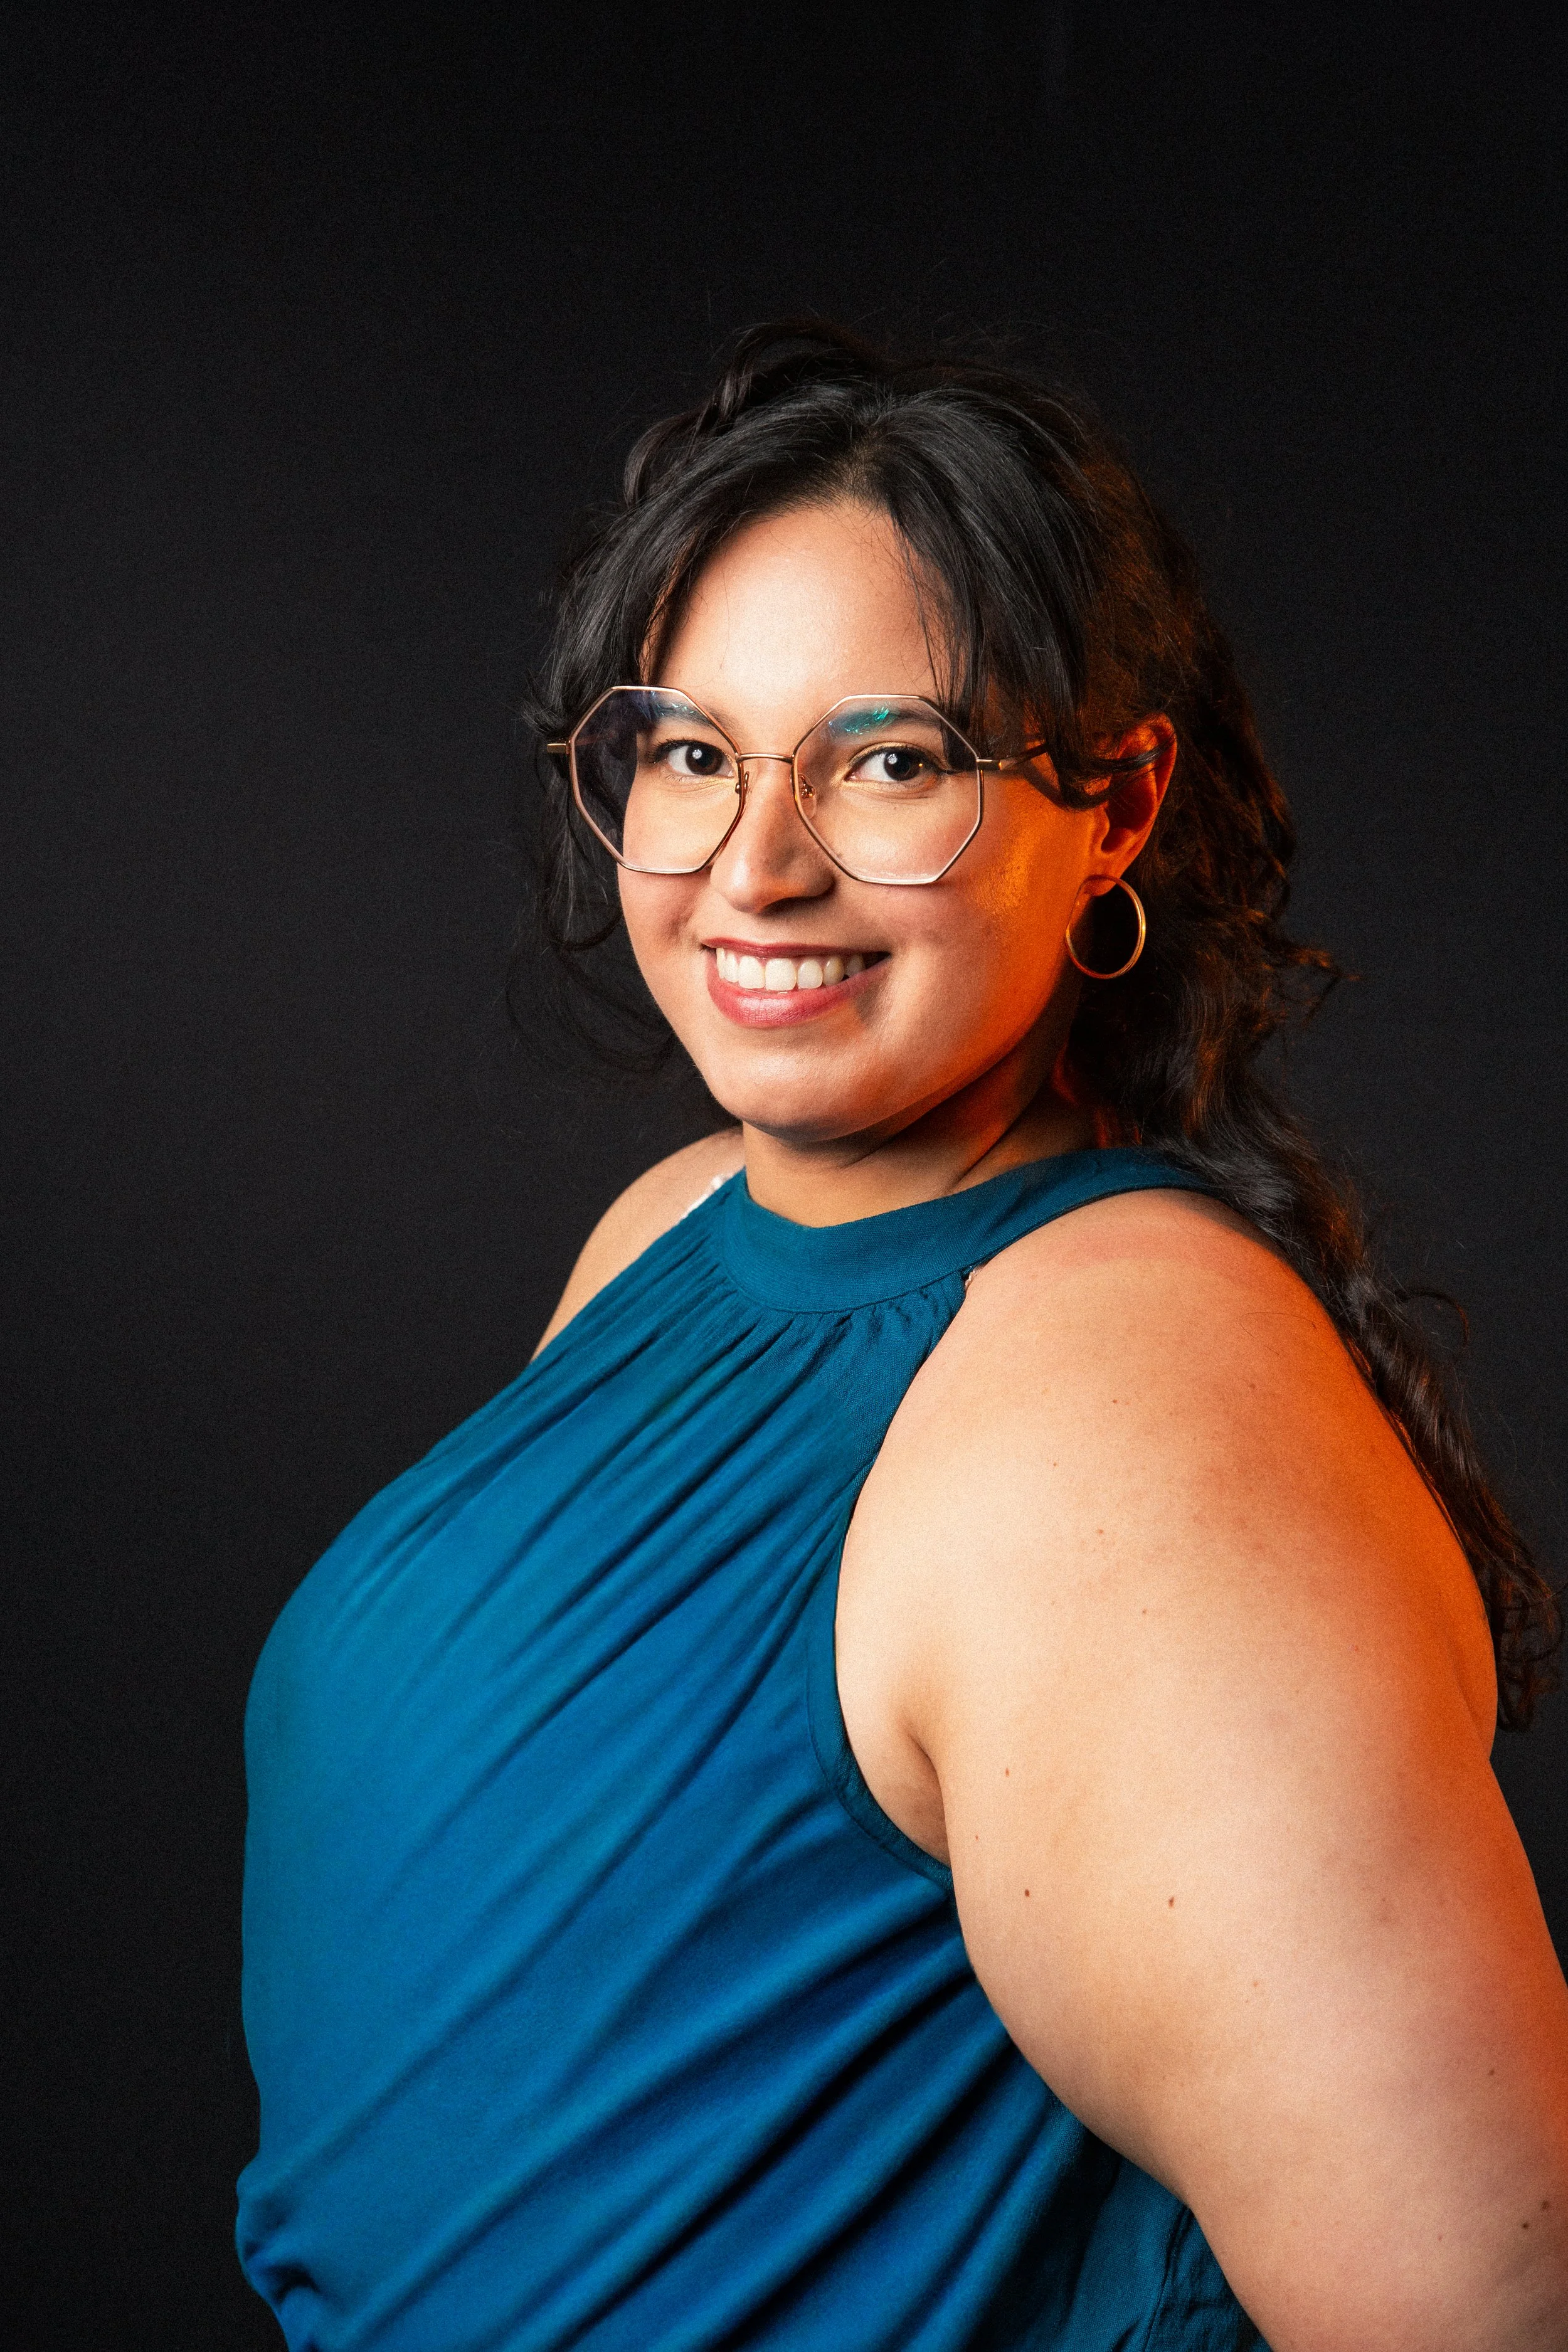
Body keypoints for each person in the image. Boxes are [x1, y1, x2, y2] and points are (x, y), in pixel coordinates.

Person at [236, 322, 1568, 2351]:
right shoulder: (673, 1225)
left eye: (889, 760)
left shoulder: (1128, 1406)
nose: (755, 866)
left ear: (1113, 804)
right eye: (692, 751)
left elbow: (1473, 2304)